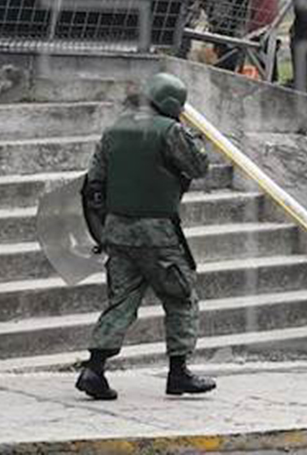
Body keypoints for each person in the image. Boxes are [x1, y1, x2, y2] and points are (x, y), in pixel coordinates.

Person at [75, 73, 215, 401]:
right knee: (181, 297)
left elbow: (95, 181)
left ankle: (94, 369)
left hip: (117, 231)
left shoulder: (114, 130)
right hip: (157, 232)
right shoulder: (171, 131)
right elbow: (198, 166)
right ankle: (178, 373)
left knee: (121, 300)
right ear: (171, 103)